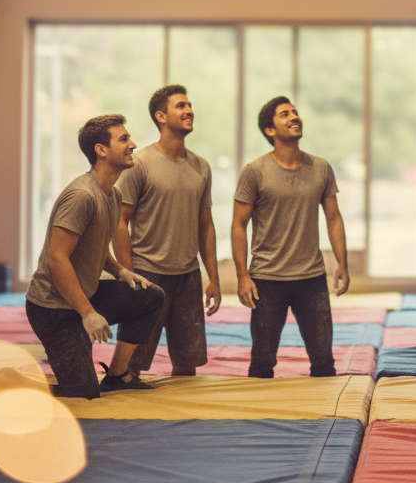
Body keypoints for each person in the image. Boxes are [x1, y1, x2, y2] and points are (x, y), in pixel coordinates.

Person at [25, 115, 165, 398]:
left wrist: (119, 271)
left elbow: (95, 247)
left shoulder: (112, 195)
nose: (133, 144)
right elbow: (56, 259)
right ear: (101, 150)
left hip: (84, 296)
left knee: (151, 296)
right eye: (124, 139)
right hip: (53, 309)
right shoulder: (81, 196)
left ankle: (117, 375)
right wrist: (87, 314)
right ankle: (10, 380)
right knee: (84, 392)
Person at [232, 96, 349, 378]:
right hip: (267, 280)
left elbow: (334, 218)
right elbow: (238, 225)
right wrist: (242, 275)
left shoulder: (321, 168)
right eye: (284, 114)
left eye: (295, 112)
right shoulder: (254, 171)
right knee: (261, 364)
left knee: (324, 363)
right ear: (270, 130)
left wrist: (342, 264)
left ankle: (327, 420)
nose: (294, 117)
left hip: (311, 279)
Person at [112, 84, 220, 378]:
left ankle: (181, 421)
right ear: (161, 116)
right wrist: (127, 273)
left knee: (187, 364)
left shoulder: (202, 167)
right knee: (130, 364)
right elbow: (119, 222)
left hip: (188, 275)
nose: (189, 111)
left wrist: (213, 277)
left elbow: (205, 226)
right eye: (181, 106)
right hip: (147, 275)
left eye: (189, 105)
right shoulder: (140, 164)